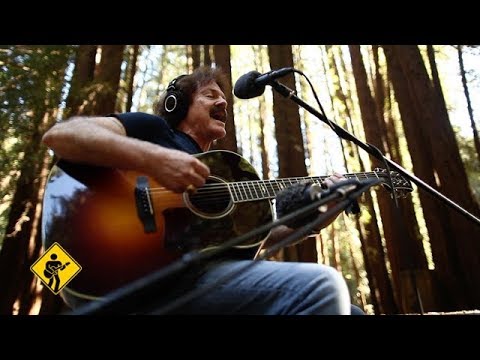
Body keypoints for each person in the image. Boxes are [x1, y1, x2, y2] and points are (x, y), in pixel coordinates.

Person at [42, 65, 363, 315]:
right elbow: (61, 137)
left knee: (350, 311)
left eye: (222, 97)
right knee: (321, 285)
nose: (223, 101)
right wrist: (155, 159)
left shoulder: (228, 171)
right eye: (210, 95)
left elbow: (254, 237)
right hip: (148, 278)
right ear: (177, 104)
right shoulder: (152, 129)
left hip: (205, 277)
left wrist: (317, 216)